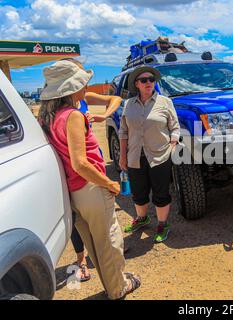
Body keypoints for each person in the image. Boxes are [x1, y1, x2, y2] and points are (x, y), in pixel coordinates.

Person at [38, 60, 140, 299]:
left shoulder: (47, 117)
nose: (86, 88)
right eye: (83, 84)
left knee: (93, 242)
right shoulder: (72, 115)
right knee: (109, 240)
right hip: (90, 187)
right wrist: (109, 183)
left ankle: (113, 282)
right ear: (71, 89)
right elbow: (81, 162)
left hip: (73, 190)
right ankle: (118, 287)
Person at [63, 58, 123, 282]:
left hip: (93, 165)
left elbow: (115, 98)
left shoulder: (84, 99)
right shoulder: (66, 111)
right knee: (80, 219)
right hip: (79, 172)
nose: (85, 84)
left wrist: (104, 116)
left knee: (98, 222)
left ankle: (105, 255)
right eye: (81, 79)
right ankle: (81, 260)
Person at [118, 65, 180, 242]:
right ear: (136, 84)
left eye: (151, 80)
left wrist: (173, 143)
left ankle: (162, 224)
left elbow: (174, 127)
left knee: (161, 193)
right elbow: (123, 132)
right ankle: (142, 219)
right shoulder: (129, 104)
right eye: (144, 80)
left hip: (160, 156)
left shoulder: (165, 102)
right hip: (135, 156)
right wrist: (122, 156)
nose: (148, 83)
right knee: (138, 192)